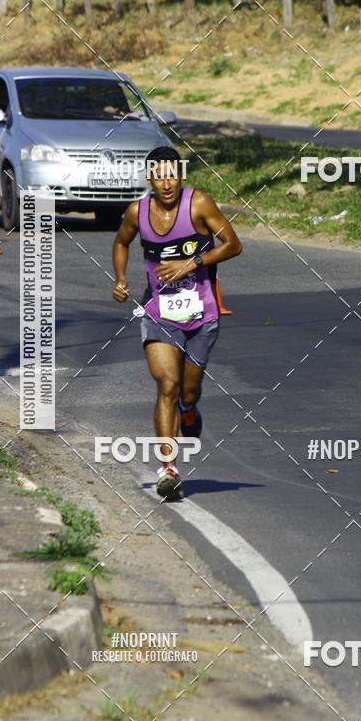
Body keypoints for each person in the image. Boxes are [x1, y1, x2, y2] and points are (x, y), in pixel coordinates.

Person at [112, 156, 242, 500]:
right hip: (158, 312)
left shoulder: (198, 203)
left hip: (202, 313)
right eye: (159, 177)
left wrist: (192, 263)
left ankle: (189, 409)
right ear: (150, 180)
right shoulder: (137, 212)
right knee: (167, 383)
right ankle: (168, 469)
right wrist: (121, 278)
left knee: (188, 391)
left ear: (181, 177)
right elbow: (121, 242)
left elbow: (233, 244)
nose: (167, 183)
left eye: (173, 176)